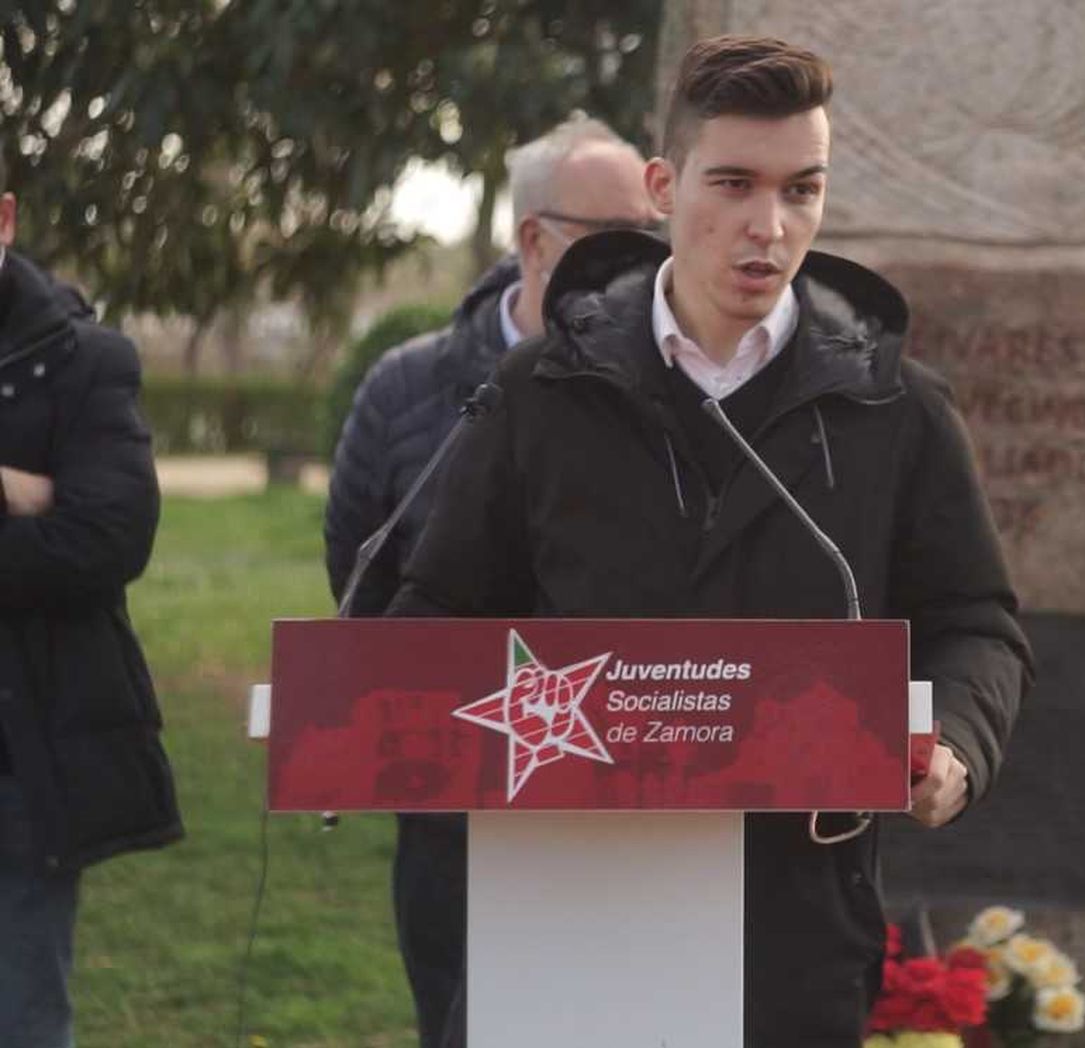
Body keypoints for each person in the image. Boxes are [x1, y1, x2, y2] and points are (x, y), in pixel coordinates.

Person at [389, 35, 1033, 1045]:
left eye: (800, 190)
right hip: (568, 905)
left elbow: (975, 621)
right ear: (661, 185)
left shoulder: (894, 409)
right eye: (731, 184)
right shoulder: (539, 394)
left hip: (793, 929)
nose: (766, 227)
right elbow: (433, 616)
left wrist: (954, 738)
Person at [323, 114, 659, 1047]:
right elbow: (361, 571)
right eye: (612, 238)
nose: (641, 260)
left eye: (651, 235)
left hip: (637, 806)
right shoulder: (408, 388)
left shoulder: (676, 390)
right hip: (459, 800)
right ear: (533, 240)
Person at [0, 156, 182, 1048]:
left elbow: (109, 539)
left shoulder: (84, 361)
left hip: (18, 768)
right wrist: (16, 489)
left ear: (3, 220)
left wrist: (57, 510)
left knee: (24, 1019)